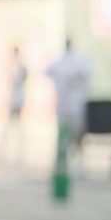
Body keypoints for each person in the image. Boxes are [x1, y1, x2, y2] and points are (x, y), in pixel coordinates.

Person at [46, 39, 94, 176]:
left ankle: (78, 164)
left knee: (77, 136)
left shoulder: (79, 61)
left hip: (75, 106)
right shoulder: (59, 60)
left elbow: (88, 74)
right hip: (65, 106)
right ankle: (63, 164)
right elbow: (47, 71)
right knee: (64, 136)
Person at [0, 46, 28, 164]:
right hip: (15, 99)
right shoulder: (16, 67)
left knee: (14, 127)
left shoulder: (18, 67)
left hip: (17, 100)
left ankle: (15, 152)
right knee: (11, 127)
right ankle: (4, 152)